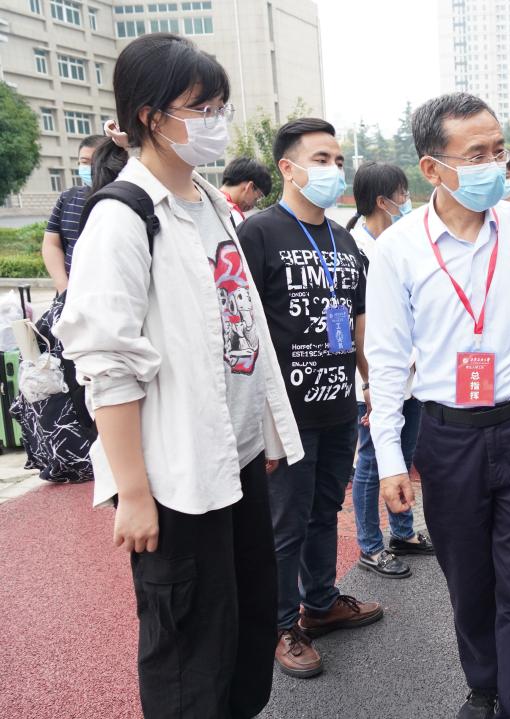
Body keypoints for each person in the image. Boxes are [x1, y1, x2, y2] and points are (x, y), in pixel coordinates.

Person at [54, 33, 303, 718]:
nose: (216, 122)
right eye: (202, 108)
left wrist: (264, 433)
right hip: (178, 481)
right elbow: (106, 366)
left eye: (221, 106)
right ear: (149, 116)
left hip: (236, 460)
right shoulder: (122, 218)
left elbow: (240, 329)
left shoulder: (212, 203)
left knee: (246, 632)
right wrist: (133, 494)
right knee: (190, 651)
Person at [365, 92, 510, 719]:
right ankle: (484, 684)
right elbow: (386, 362)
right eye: (476, 154)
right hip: (448, 437)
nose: (495, 165)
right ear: (431, 168)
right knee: (468, 579)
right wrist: (389, 459)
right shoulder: (398, 249)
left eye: (498, 151)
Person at [237, 118, 383, 680]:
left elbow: (358, 319)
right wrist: (255, 417)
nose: (333, 170)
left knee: (325, 511)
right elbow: (240, 329)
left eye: (338, 161)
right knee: (285, 524)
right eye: (321, 160)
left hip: (338, 405)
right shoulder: (259, 234)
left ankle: (319, 604)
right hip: (285, 415)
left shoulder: (343, 240)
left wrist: (371, 384)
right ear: (288, 168)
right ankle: (280, 624)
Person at [343, 161, 434, 578]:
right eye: (402, 194)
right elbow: (355, 327)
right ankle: (370, 544)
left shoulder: (401, 243)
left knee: (403, 452)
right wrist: (368, 384)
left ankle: (402, 531)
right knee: (372, 460)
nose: (407, 200)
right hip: (376, 376)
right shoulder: (355, 250)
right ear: (383, 201)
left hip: (411, 370)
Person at [42, 134, 105, 292]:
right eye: (84, 162)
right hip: (70, 294)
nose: (90, 168)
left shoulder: (124, 198)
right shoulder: (68, 198)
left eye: (96, 162)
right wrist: (64, 288)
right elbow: (51, 244)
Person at [220, 157, 272, 226]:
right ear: (250, 187)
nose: (253, 206)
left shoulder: (208, 200)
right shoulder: (233, 214)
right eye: (256, 198)